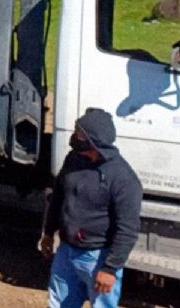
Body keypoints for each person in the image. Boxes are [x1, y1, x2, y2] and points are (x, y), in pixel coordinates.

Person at [41, 108, 142, 308]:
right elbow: (58, 197)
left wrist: (110, 268)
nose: (74, 137)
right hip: (66, 251)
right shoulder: (73, 160)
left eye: (79, 133)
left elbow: (128, 229)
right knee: (58, 304)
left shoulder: (123, 178)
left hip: (97, 257)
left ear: (94, 140)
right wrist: (48, 232)